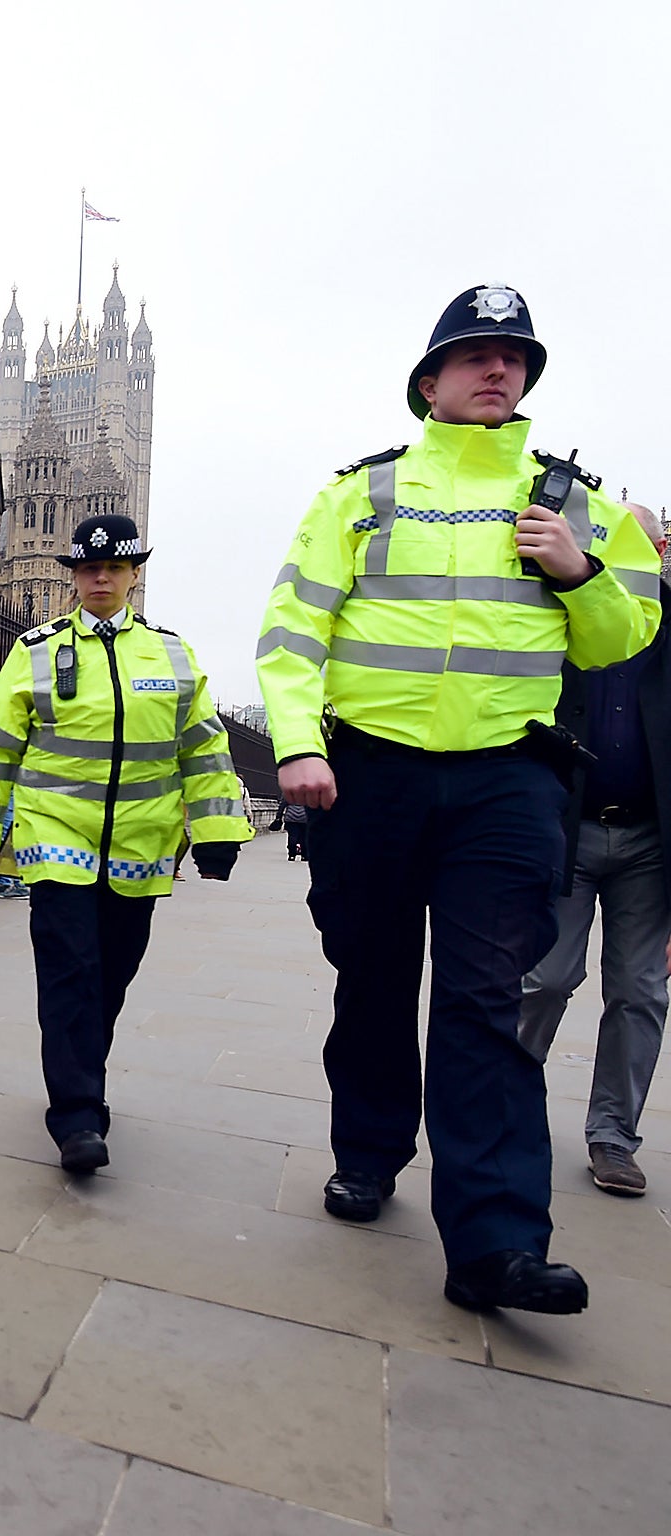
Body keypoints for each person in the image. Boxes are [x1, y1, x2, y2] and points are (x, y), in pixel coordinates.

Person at [257, 285, 662, 1315]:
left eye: (513, 358)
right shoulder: (362, 493)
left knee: (487, 999)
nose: (498, 370)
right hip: (372, 772)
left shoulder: (573, 500)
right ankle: (370, 1149)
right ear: (427, 381)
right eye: (475, 355)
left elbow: (627, 635)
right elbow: (293, 630)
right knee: (375, 979)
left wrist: (579, 575)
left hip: (505, 776)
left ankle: (493, 1242)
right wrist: (298, 747)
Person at [0, 514, 252, 1172]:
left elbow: (204, 747)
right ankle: (78, 1114)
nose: (99, 579)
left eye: (113, 568)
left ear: (132, 575)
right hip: (55, 836)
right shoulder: (35, 649)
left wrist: (218, 831)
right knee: (70, 973)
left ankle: (82, 1070)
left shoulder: (171, 655)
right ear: (74, 576)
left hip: (141, 847)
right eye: (88, 569)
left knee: (111, 975)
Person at [518, 503, 671, 1197]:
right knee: (545, 978)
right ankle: (508, 1110)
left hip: (650, 839)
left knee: (640, 991)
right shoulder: (565, 604)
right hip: (568, 827)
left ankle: (613, 1138)